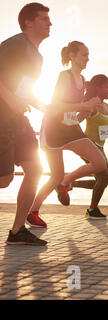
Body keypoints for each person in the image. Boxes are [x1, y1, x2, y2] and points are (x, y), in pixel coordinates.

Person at [26, 41, 106, 228]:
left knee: (99, 162)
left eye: (88, 55)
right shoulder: (65, 76)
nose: (88, 58)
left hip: (71, 128)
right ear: (73, 56)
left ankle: (65, 182)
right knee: (54, 175)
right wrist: (83, 105)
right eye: (84, 55)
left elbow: (75, 114)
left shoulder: (82, 80)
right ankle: (32, 212)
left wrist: (90, 111)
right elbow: (56, 106)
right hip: (53, 129)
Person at [1, 3, 51, 245]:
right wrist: (10, 100)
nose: (50, 23)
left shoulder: (38, 56)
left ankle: (17, 231)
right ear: (28, 23)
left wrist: (43, 105)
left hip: (18, 120)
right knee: (3, 180)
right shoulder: (16, 44)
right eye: (44, 19)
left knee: (36, 169)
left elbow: (24, 87)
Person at [71, 74, 108, 219]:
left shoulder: (106, 106)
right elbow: (75, 121)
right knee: (103, 179)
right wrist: (79, 138)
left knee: (102, 181)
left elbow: (102, 125)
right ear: (97, 88)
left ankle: (69, 183)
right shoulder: (91, 105)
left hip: (100, 145)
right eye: (106, 87)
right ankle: (92, 210)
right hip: (89, 145)